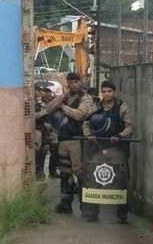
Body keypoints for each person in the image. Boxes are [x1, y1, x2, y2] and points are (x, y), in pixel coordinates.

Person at [82, 80, 134, 223]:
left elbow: (130, 127)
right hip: (97, 148)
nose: (106, 94)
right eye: (104, 92)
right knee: (93, 179)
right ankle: (92, 213)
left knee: (120, 180)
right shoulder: (95, 107)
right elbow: (86, 123)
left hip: (116, 149)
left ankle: (122, 214)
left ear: (114, 92)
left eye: (109, 91)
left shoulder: (122, 108)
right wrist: (88, 135)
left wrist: (120, 136)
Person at [47, 72, 95, 214]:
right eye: (70, 82)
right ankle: (65, 204)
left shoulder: (85, 98)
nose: (73, 85)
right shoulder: (65, 96)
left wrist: (63, 107)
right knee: (64, 173)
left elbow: (79, 115)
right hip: (63, 139)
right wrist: (62, 97)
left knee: (79, 173)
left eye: (75, 82)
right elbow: (49, 109)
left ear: (80, 82)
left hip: (76, 139)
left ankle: (85, 206)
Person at [34, 87, 49, 180]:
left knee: (44, 151)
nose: (39, 93)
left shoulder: (42, 101)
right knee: (37, 151)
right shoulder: (32, 102)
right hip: (37, 129)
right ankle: (37, 172)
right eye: (37, 91)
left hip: (44, 130)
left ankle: (41, 172)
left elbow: (46, 109)